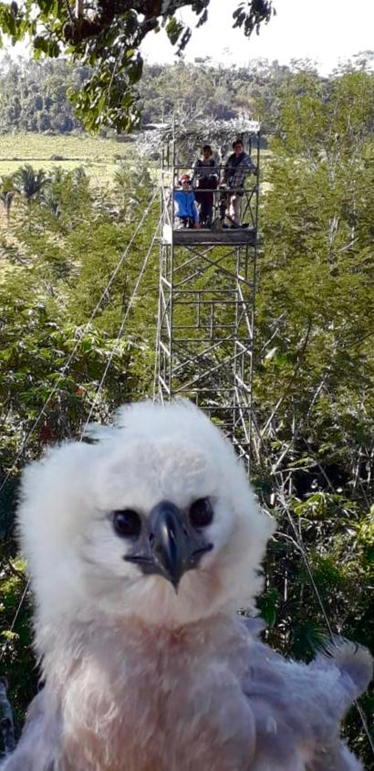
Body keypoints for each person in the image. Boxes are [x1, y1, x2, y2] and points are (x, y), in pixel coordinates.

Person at [221, 139, 257, 227]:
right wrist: (223, 179)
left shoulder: (245, 158)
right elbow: (226, 170)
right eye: (236, 147)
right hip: (229, 186)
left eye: (240, 147)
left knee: (235, 205)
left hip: (238, 185)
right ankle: (229, 224)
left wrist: (255, 171)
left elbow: (252, 167)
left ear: (242, 147)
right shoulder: (231, 158)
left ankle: (235, 224)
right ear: (234, 148)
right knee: (227, 206)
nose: (238, 149)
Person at [191, 145, 218, 227]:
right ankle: (200, 221)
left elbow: (216, 173)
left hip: (209, 187)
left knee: (209, 205)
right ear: (202, 152)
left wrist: (213, 178)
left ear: (210, 153)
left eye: (208, 152)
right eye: (204, 151)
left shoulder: (213, 163)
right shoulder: (198, 163)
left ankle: (209, 221)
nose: (206, 153)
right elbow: (194, 173)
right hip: (201, 186)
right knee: (202, 205)